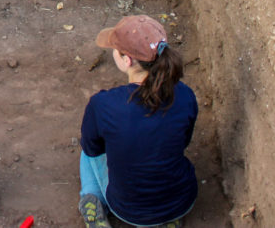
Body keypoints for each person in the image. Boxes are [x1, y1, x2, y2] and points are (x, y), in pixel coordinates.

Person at [78, 15, 198, 228]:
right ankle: (168, 220)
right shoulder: (186, 95)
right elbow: (184, 142)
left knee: (86, 154)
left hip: (128, 209)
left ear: (127, 60)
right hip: (181, 201)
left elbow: (92, 148)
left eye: (115, 49)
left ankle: (93, 202)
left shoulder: (103, 105)